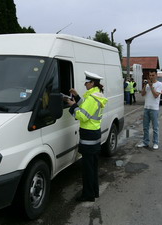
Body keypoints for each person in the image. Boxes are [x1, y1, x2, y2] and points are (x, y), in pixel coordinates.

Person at [67, 71, 108, 202]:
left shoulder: (92, 98)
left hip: (88, 136)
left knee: (87, 169)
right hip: (94, 134)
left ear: (92, 83)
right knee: (93, 166)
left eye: (86, 82)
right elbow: (85, 106)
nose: (84, 84)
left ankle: (88, 195)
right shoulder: (96, 95)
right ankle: (94, 192)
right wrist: (77, 96)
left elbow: (83, 115)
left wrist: (72, 106)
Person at [137, 69, 162, 150]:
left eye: (153, 75)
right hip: (146, 108)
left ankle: (155, 142)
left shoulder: (159, 84)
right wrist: (145, 85)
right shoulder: (147, 85)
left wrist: (151, 86)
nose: (151, 77)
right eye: (150, 75)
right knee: (145, 127)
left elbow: (156, 95)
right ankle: (145, 142)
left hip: (154, 109)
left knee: (155, 127)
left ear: (156, 75)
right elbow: (142, 94)